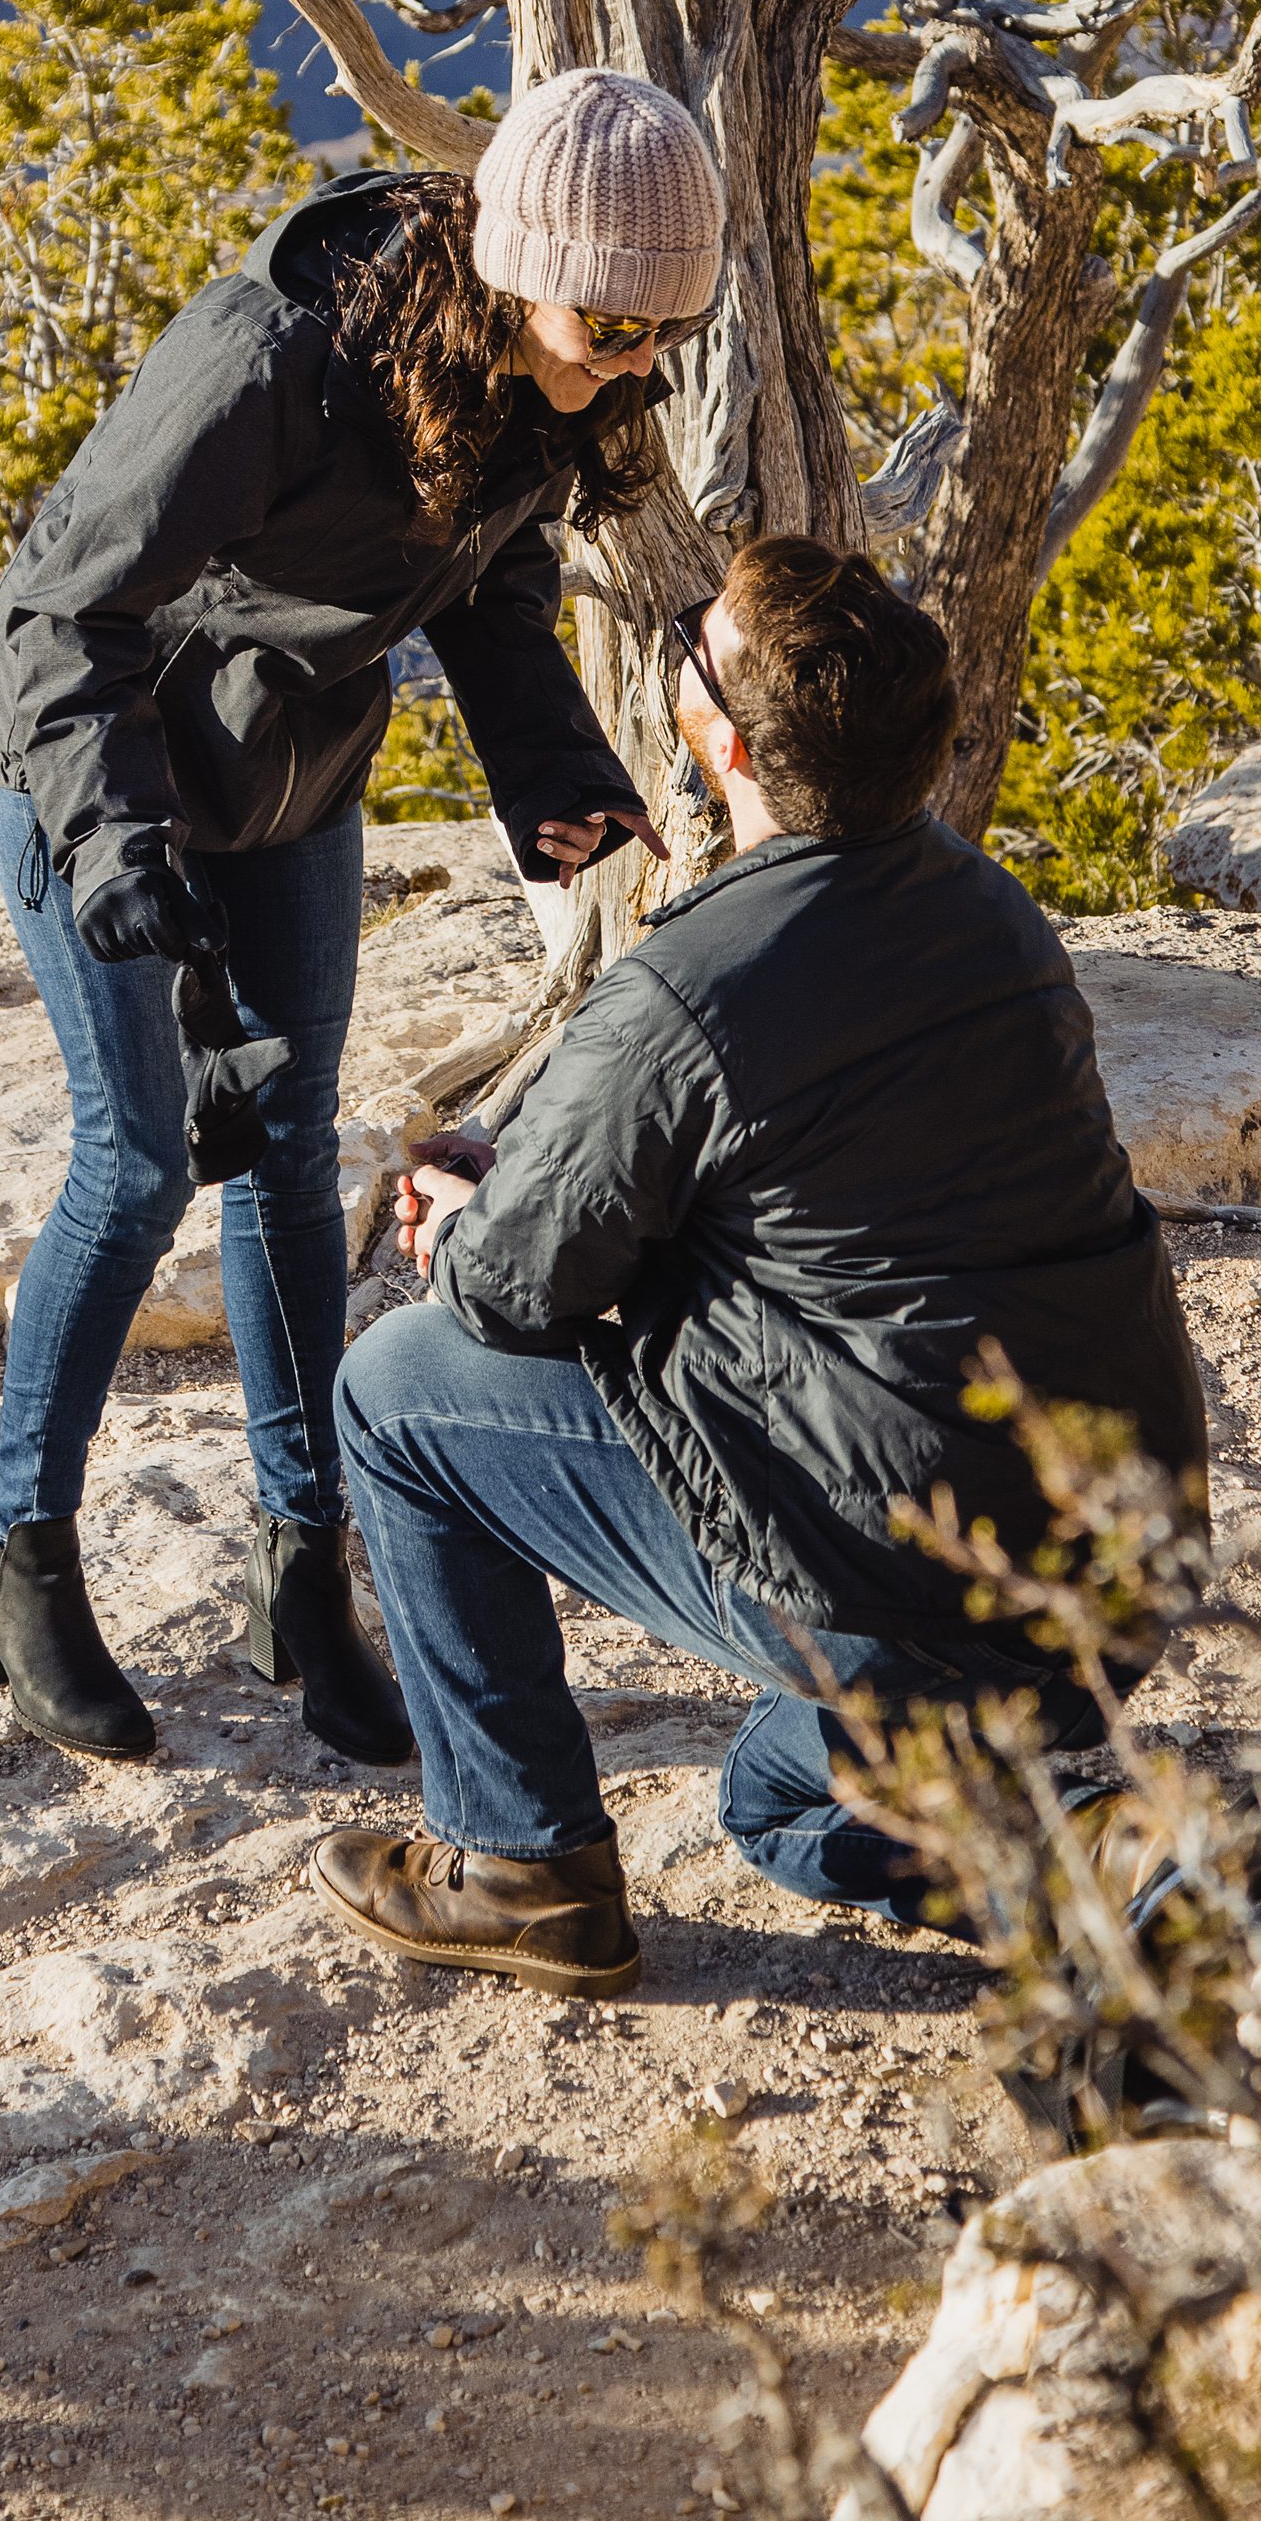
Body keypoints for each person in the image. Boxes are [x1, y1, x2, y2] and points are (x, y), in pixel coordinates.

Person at [310, 533, 1209, 1996]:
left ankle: (520, 1866)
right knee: (783, 1798)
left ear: (713, 736)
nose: (676, 646)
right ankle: (1119, 1853)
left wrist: (470, 1221)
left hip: (902, 1591)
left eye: (689, 639)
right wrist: (538, 1187)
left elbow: (504, 1296)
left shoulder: (683, 988)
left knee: (398, 1389)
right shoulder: (990, 917)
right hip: (1105, 1563)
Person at [0, 66, 726, 1772]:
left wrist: (548, 767)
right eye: (612, 322)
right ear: (520, 262)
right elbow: (58, 615)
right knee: (139, 1161)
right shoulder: (271, 359)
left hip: (289, 766)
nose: (638, 363)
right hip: (100, 755)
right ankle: (18, 1544)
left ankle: (306, 1577)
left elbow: (493, 578)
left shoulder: (563, 386)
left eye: (667, 330)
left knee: (292, 1150)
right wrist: (111, 844)